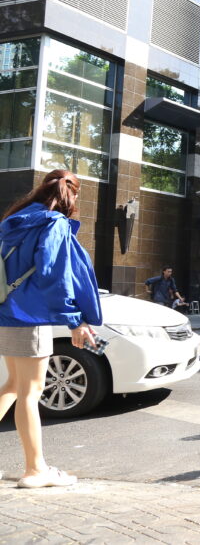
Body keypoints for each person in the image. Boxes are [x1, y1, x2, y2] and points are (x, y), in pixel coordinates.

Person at [0, 170, 102, 488]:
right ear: (71, 198)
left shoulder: (13, 222)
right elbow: (53, 275)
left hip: (5, 313)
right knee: (30, 392)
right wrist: (74, 320)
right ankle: (36, 470)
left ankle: (35, 467)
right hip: (31, 318)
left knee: (14, 386)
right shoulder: (53, 224)